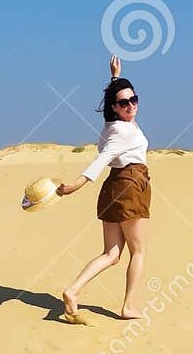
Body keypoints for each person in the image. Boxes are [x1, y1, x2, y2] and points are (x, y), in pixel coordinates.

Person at [57, 55, 150, 322]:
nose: (131, 105)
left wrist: (114, 76)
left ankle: (73, 291)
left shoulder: (112, 125)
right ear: (114, 107)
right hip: (131, 185)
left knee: (111, 254)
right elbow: (101, 160)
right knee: (138, 251)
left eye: (134, 99)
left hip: (113, 189)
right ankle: (128, 306)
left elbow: (109, 147)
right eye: (124, 102)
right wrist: (77, 184)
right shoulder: (123, 132)